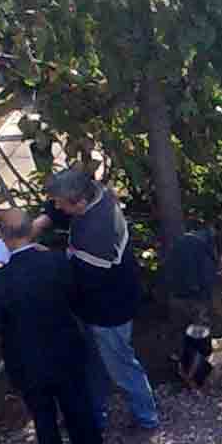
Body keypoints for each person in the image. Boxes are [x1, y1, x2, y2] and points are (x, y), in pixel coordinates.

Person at [0, 209, 108, 444]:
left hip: (28, 362)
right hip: (67, 350)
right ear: (30, 230)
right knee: (78, 408)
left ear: (3, 237)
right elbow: (75, 297)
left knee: (44, 419)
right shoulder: (57, 261)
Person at [40, 168, 162, 429]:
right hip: (98, 304)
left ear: (80, 203)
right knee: (94, 360)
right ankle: (95, 413)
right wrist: (43, 221)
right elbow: (61, 209)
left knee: (120, 365)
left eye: (60, 203)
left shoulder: (95, 235)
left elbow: (74, 273)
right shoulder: (98, 194)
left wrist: (40, 257)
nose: (56, 207)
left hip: (108, 311)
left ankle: (146, 417)